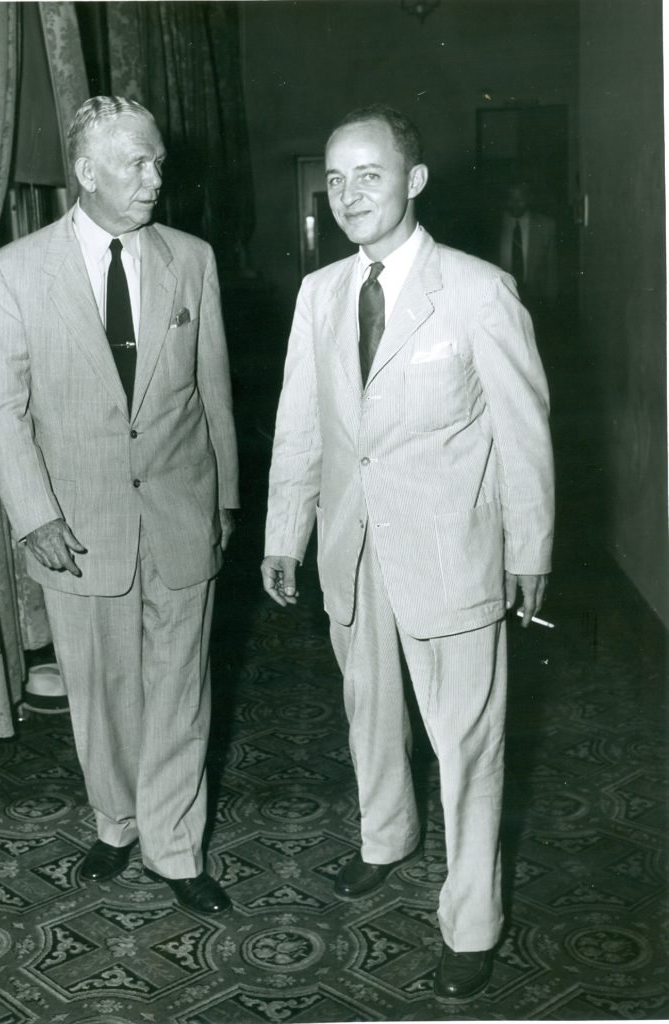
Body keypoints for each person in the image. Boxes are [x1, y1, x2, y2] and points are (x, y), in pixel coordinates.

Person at [261, 104, 554, 1000]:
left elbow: (524, 428)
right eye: (337, 179)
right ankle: (384, 837)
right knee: (369, 715)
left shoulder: (477, 289)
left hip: (451, 551)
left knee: (467, 742)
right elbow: (301, 425)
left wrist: (530, 546)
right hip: (355, 548)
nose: (349, 195)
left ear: (414, 181)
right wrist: (286, 532)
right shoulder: (320, 294)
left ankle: (472, 922)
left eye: (371, 175)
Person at [0, 96, 238, 915]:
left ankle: (175, 846)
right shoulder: (15, 273)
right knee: (99, 690)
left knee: (180, 689)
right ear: (87, 173)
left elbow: (215, 390)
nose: (157, 177)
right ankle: (116, 824)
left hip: (180, 513)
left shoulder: (190, 259)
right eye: (138, 163)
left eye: (159, 160)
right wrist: (33, 514)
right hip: (76, 525)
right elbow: (1, 409)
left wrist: (226, 499)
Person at [498, 180, 558, 312]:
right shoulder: (496, 226)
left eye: (521, 199)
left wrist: (552, 301)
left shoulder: (546, 226)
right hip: (501, 298)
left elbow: (552, 267)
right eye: (512, 198)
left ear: (529, 199)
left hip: (535, 299)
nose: (516, 204)